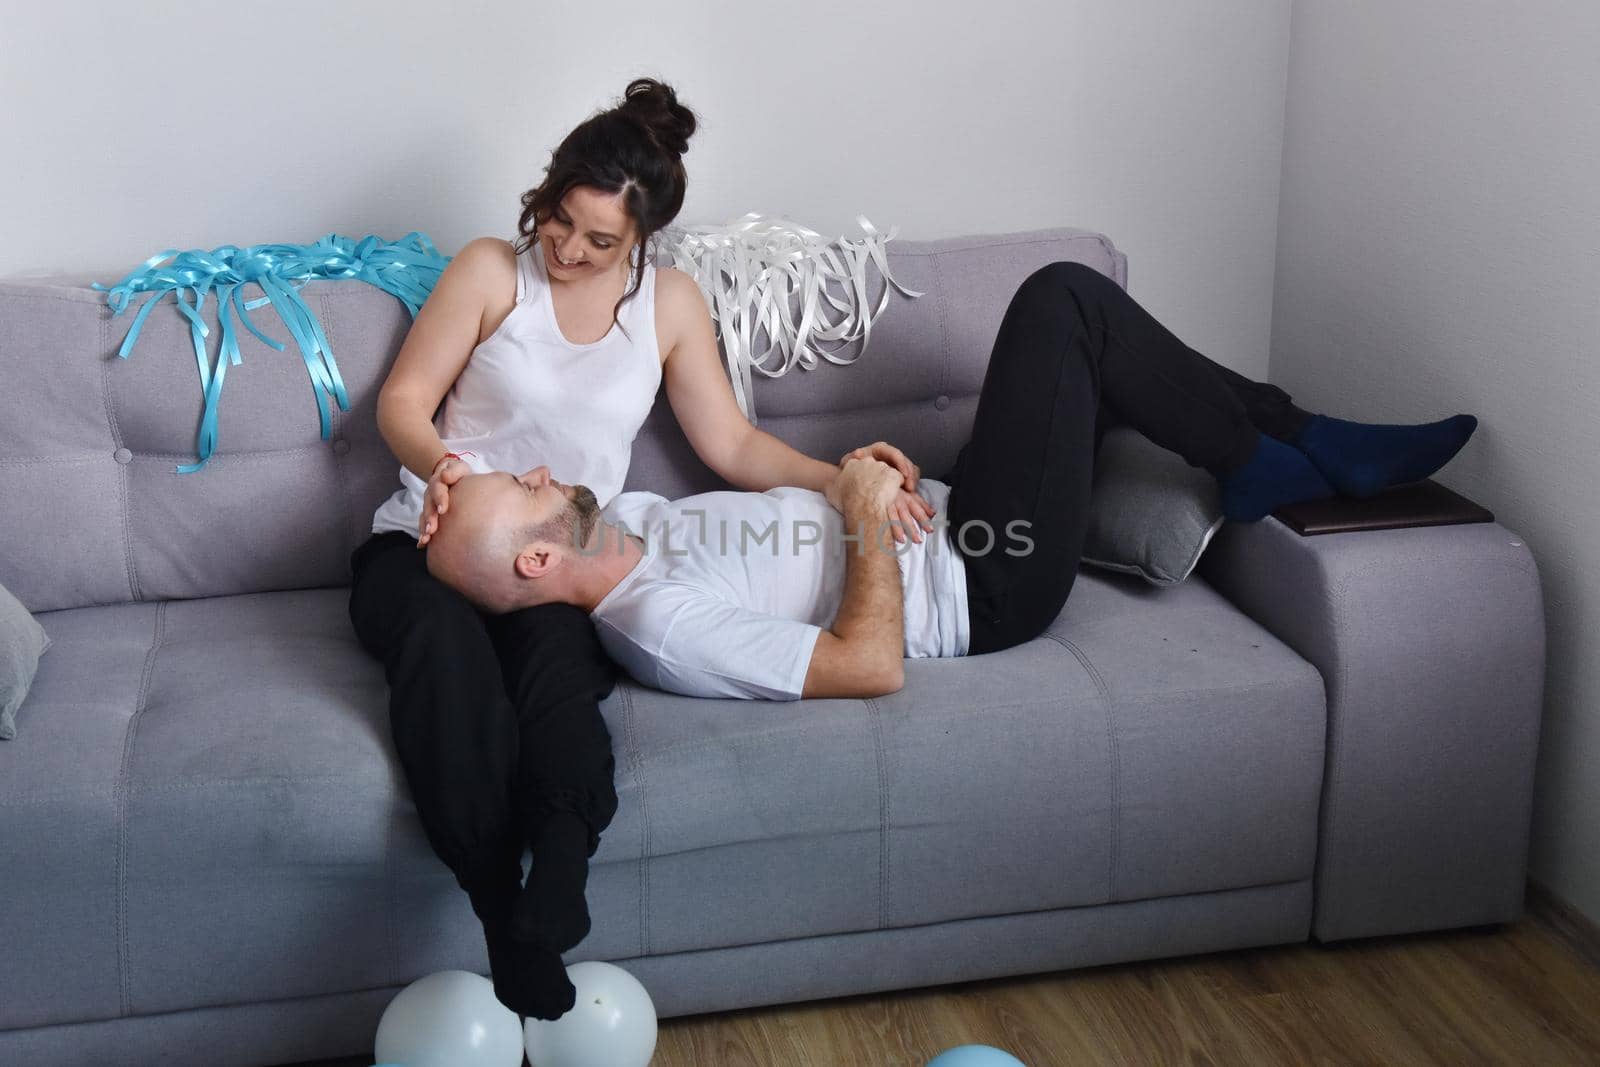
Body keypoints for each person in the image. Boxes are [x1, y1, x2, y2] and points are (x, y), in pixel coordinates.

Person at [346, 77, 933, 1022]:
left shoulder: (668, 305)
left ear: (643, 239)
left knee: (558, 673)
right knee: (444, 654)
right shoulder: (494, 270)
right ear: (545, 196)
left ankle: (562, 872)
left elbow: (733, 446)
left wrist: (850, 477)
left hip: (556, 553)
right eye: (560, 221)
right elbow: (402, 404)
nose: (570, 250)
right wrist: (445, 470)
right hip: (429, 533)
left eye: (600, 239)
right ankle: (501, 911)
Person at [420, 260, 1479, 698]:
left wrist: (856, 473)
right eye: (519, 485)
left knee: (1101, 352)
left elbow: (762, 481)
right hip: (985, 581)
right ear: (536, 554)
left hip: (949, 514)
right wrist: (866, 519)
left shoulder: (625, 523)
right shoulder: (656, 626)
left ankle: (1281, 444)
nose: (542, 464)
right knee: (1065, 299)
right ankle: (1286, 453)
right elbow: (868, 665)